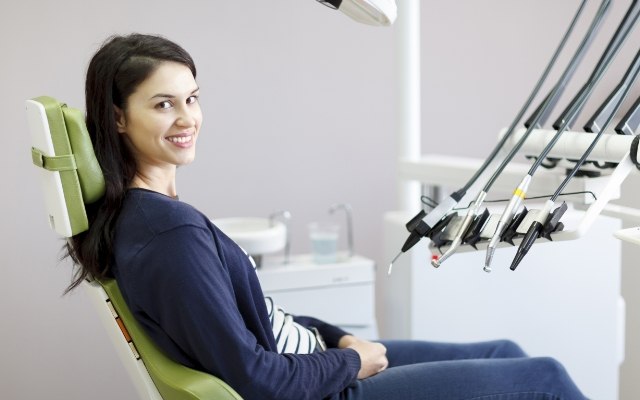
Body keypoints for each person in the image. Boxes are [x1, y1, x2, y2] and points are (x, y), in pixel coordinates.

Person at [65, 33, 587, 400]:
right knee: (545, 378)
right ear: (117, 118)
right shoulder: (167, 237)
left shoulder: (154, 217)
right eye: (163, 105)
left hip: (318, 361)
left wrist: (339, 338)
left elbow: (266, 323)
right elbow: (256, 379)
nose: (187, 119)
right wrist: (353, 362)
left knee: (506, 351)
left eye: (192, 99)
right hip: (318, 389)